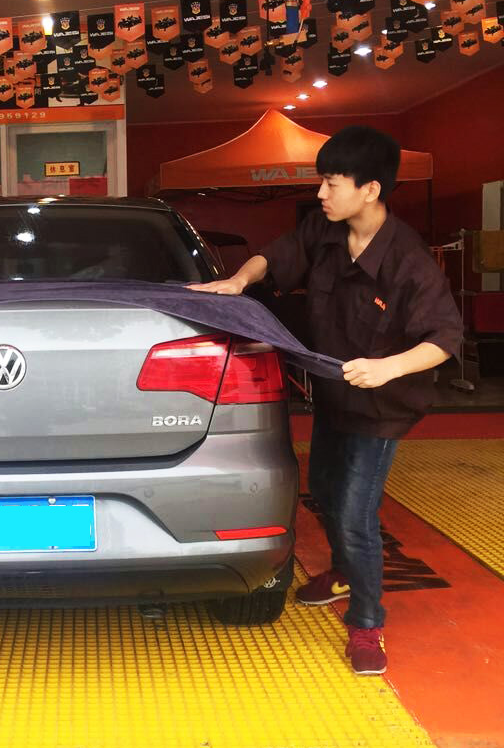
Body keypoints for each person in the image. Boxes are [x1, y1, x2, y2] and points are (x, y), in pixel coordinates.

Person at [190, 126, 462, 676]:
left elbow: (444, 338)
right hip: (334, 394)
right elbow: (274, 257)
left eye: (332, 183)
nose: (321, 194)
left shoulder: (408, 260)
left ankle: (368, 622)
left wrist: (388, 367)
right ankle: (342, 573)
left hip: (382, 406)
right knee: (325, 491)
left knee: (357, 512)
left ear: (371, 190)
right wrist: (239, 281)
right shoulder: (325, 230)